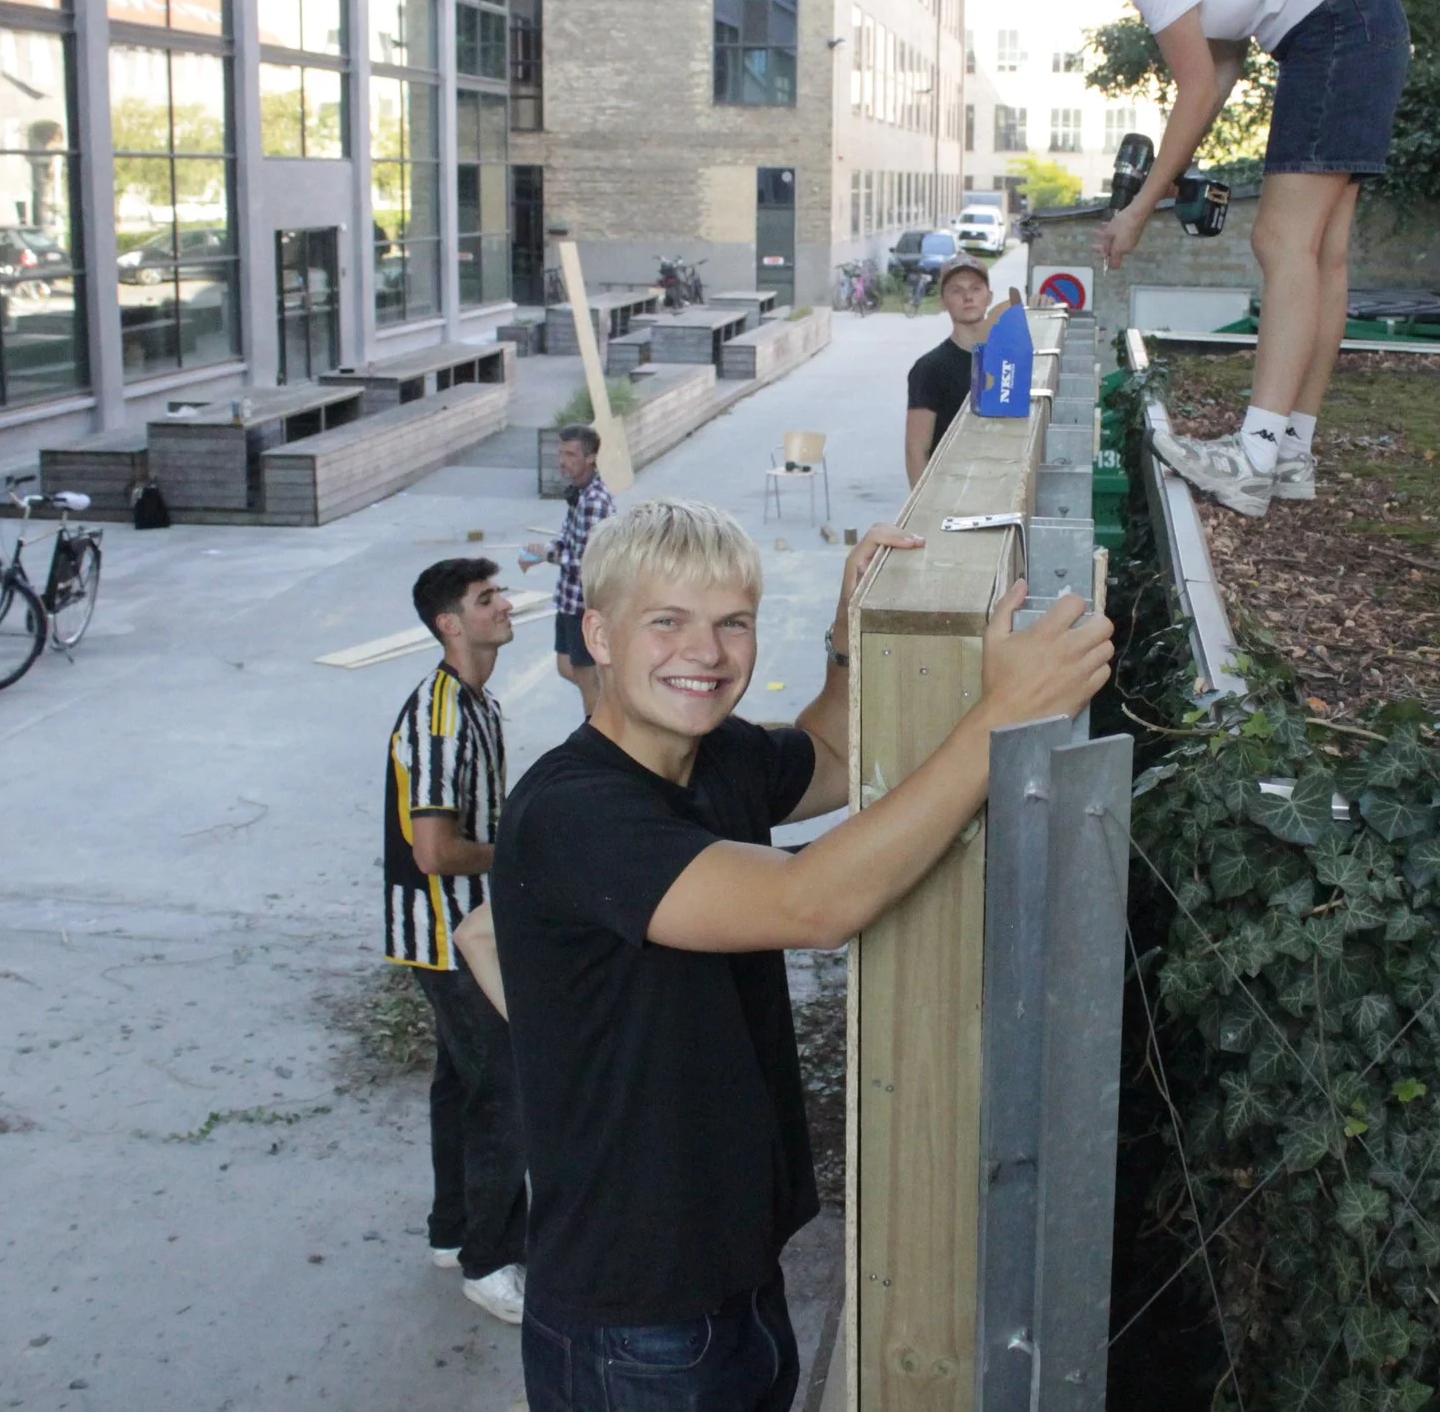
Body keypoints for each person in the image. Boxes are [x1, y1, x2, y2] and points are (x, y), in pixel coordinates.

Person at [471, 499, 1113, 1412]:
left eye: (733, 622)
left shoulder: (713, 757)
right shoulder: (575, 813)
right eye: (668, 621)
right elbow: (813, 903)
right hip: (635, 1320)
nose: (707, 651)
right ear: (599, 634)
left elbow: (835, 751)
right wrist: (1007, 716)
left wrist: (846, 638)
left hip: (735, 1278)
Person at [990, 0, 1411, 519]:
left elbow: (1194, 85)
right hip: (1363, 17)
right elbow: (1218, 75)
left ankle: (1252, 458)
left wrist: (1135, 212)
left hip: (1335, 27)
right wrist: (1146, 205)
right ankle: (1290, 454)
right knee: (1320, 253)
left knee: (1280, 242)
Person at [382, 558, 527, 1325]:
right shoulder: (441, 717)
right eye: (486, 599)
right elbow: (435, 851)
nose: (505, 605)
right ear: (450, 624)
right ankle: (491, 1260)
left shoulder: (477, 703)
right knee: (505, 1084)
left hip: (455, 931)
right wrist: (519, 855)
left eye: (499, 592)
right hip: (446, 937)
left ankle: (452, 1231)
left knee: (460, 1081)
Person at [520, 424, 616, 715]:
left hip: (582, 603)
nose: (563, 460)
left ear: (590, 458)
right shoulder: (578, 492)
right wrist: (544, 550)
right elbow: (568, 538)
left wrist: (545, 557)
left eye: (571, 454)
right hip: (568, 599)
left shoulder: (594, 501)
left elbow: (590, 561)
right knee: (566, 666)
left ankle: (599, 734)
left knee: (587, 678)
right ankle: (611, 700)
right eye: (561, 453)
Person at [904, 254, 1001, 486]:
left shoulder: (1009, 360)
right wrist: (923, 512)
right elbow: (916, 451)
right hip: (950, 492)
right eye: (956, 290)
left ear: (989, 298)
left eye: (976, 288)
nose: (968, 297)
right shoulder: (929, 368)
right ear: (942, 302)